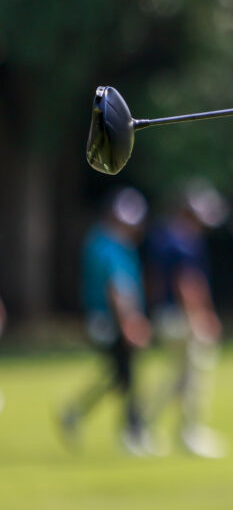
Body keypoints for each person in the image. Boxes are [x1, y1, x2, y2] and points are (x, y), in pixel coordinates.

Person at [60, 187, 156, 456]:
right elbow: (117, 288)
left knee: (121, 376)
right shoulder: (108, 245)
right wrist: (130, 323)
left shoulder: (109, 242)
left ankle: (75, 412)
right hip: (109, 320)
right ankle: (133, 432)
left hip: (107, 319)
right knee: (128, 375)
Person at [144, 179, 229, 458]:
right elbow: (187, 283)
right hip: (181, 316)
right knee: (192, 376)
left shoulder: (163, 236)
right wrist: (199, 317)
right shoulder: (184, 241)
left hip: (165, 314)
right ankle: (189, 432)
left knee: (178, 376)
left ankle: (143, 425)